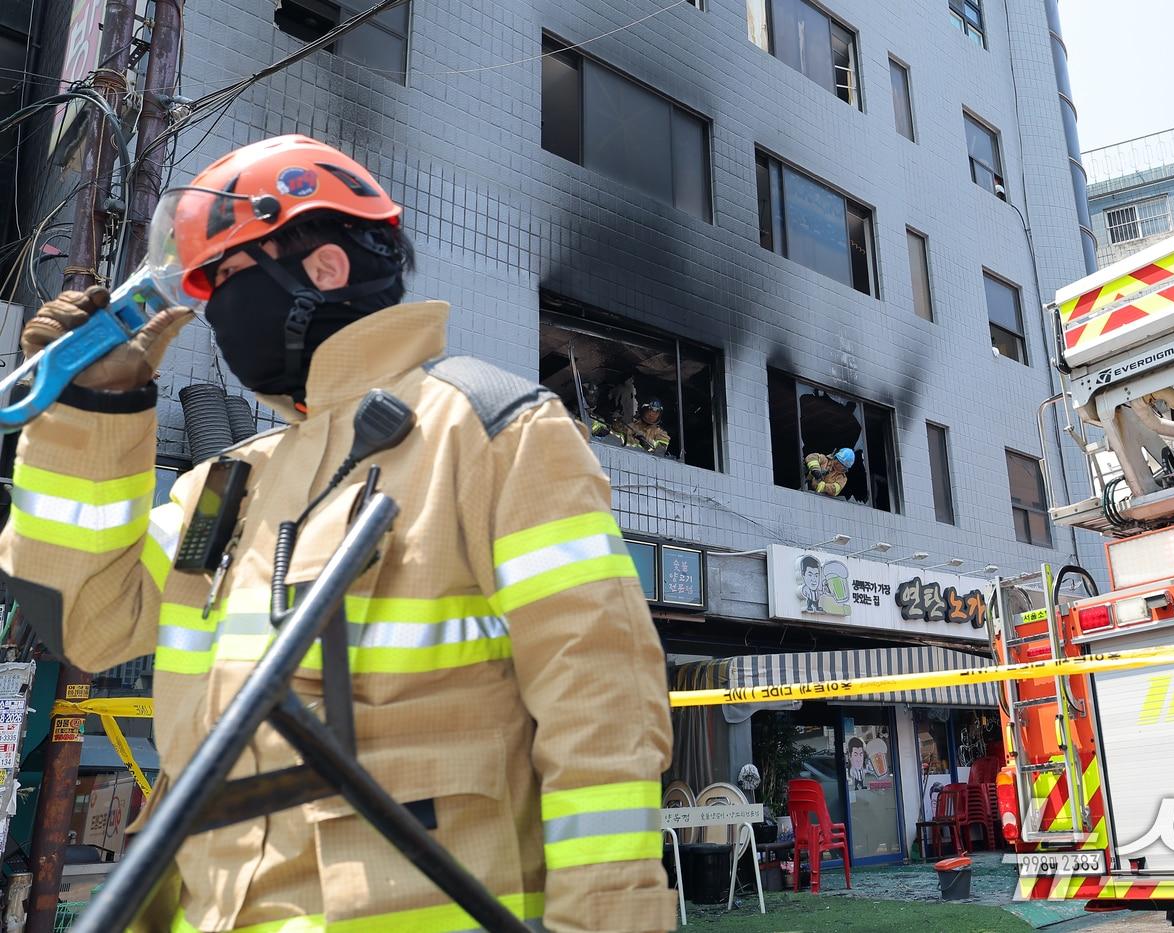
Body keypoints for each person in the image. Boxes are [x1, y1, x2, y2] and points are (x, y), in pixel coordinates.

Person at [0, 136, 675, 933]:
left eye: (227, 278)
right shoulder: (229, 483)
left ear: (322, 268)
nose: (215, 312)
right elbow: (87, 621)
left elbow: (601, 707)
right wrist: (90, 416)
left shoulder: (491, 432)